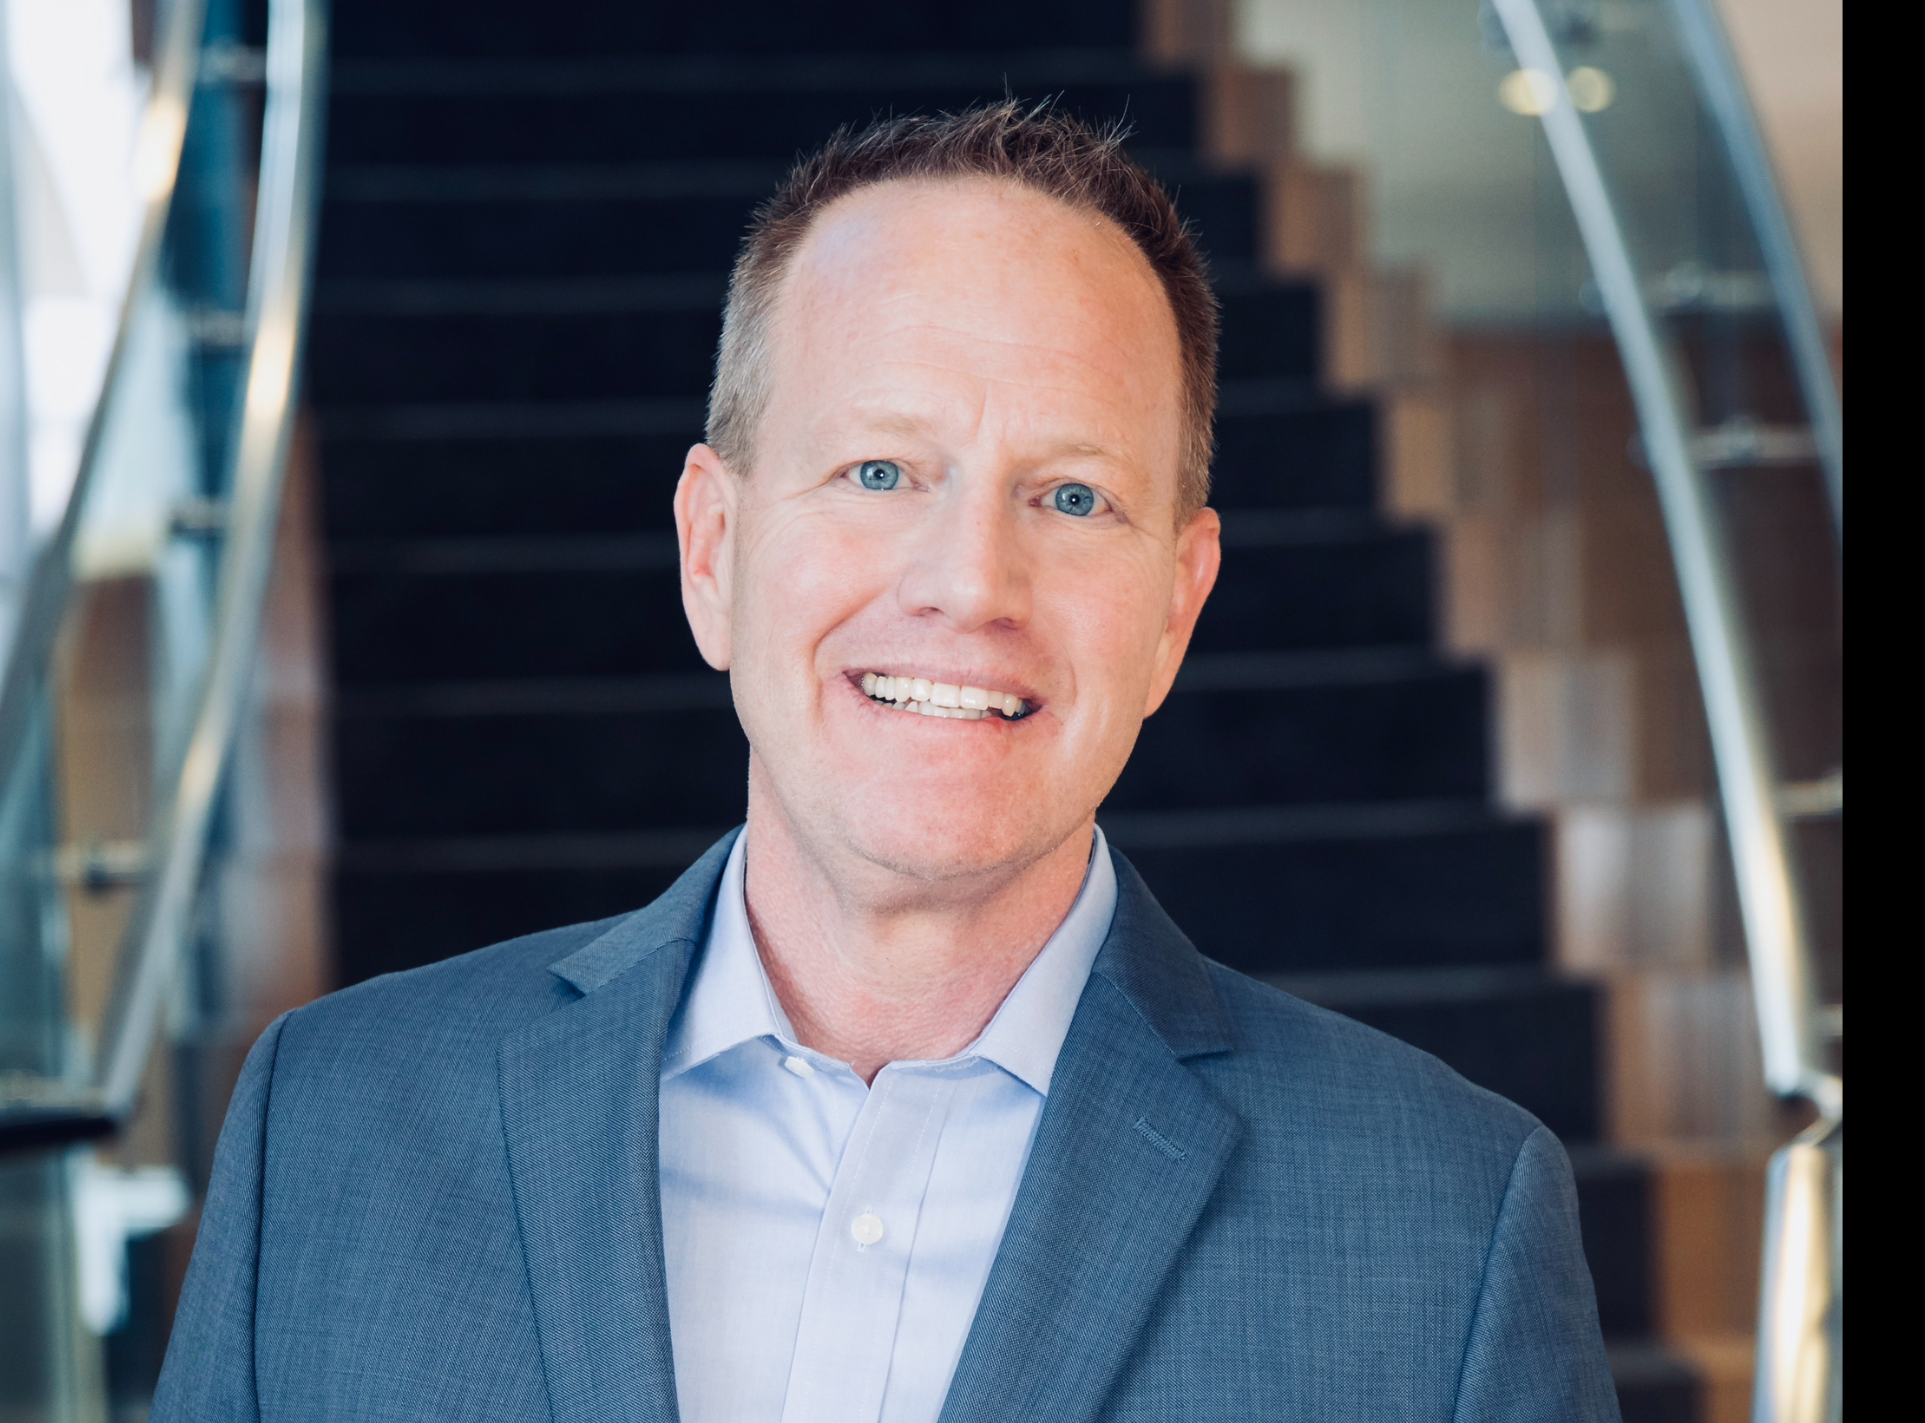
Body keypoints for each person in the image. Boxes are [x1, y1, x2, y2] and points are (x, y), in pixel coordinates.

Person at [155, 104, 1617, 1422]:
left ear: (1177, 606)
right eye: (880, 472)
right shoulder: (330, 1131)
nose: (969, 580)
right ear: (713, 550)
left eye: (1072, 494)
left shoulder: (1444, 1226)